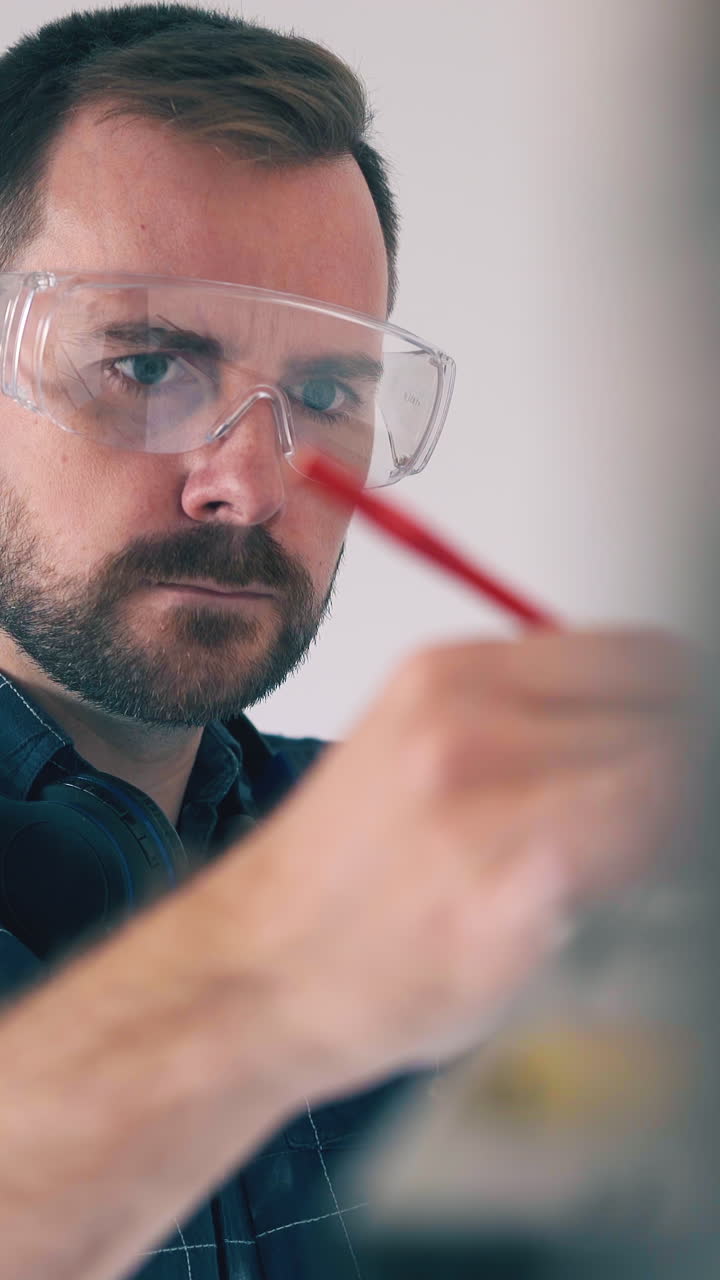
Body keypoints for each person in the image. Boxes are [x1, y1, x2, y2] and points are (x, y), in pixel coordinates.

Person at [0, 5, 695, 1279]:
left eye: (324, 394)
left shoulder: (442, 872)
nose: (253, 486)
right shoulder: (350, 896)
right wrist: (271, 970)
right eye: (149, 363)